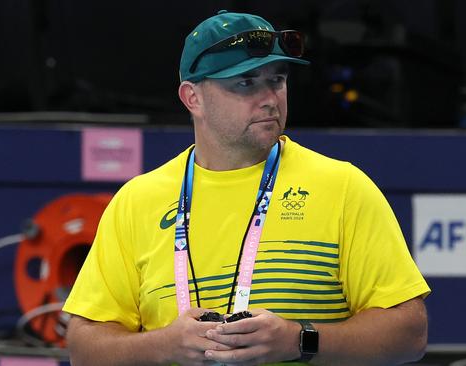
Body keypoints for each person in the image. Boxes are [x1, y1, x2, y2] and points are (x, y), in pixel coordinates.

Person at [63, 10, 431, 366]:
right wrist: (165, 345)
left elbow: (410, 333)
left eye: (277, 80)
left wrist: (297, 340)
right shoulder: (137, 201)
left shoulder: (343, 187)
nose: (270, 97)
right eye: (245, 83)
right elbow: (84, 349)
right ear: (193, 98)